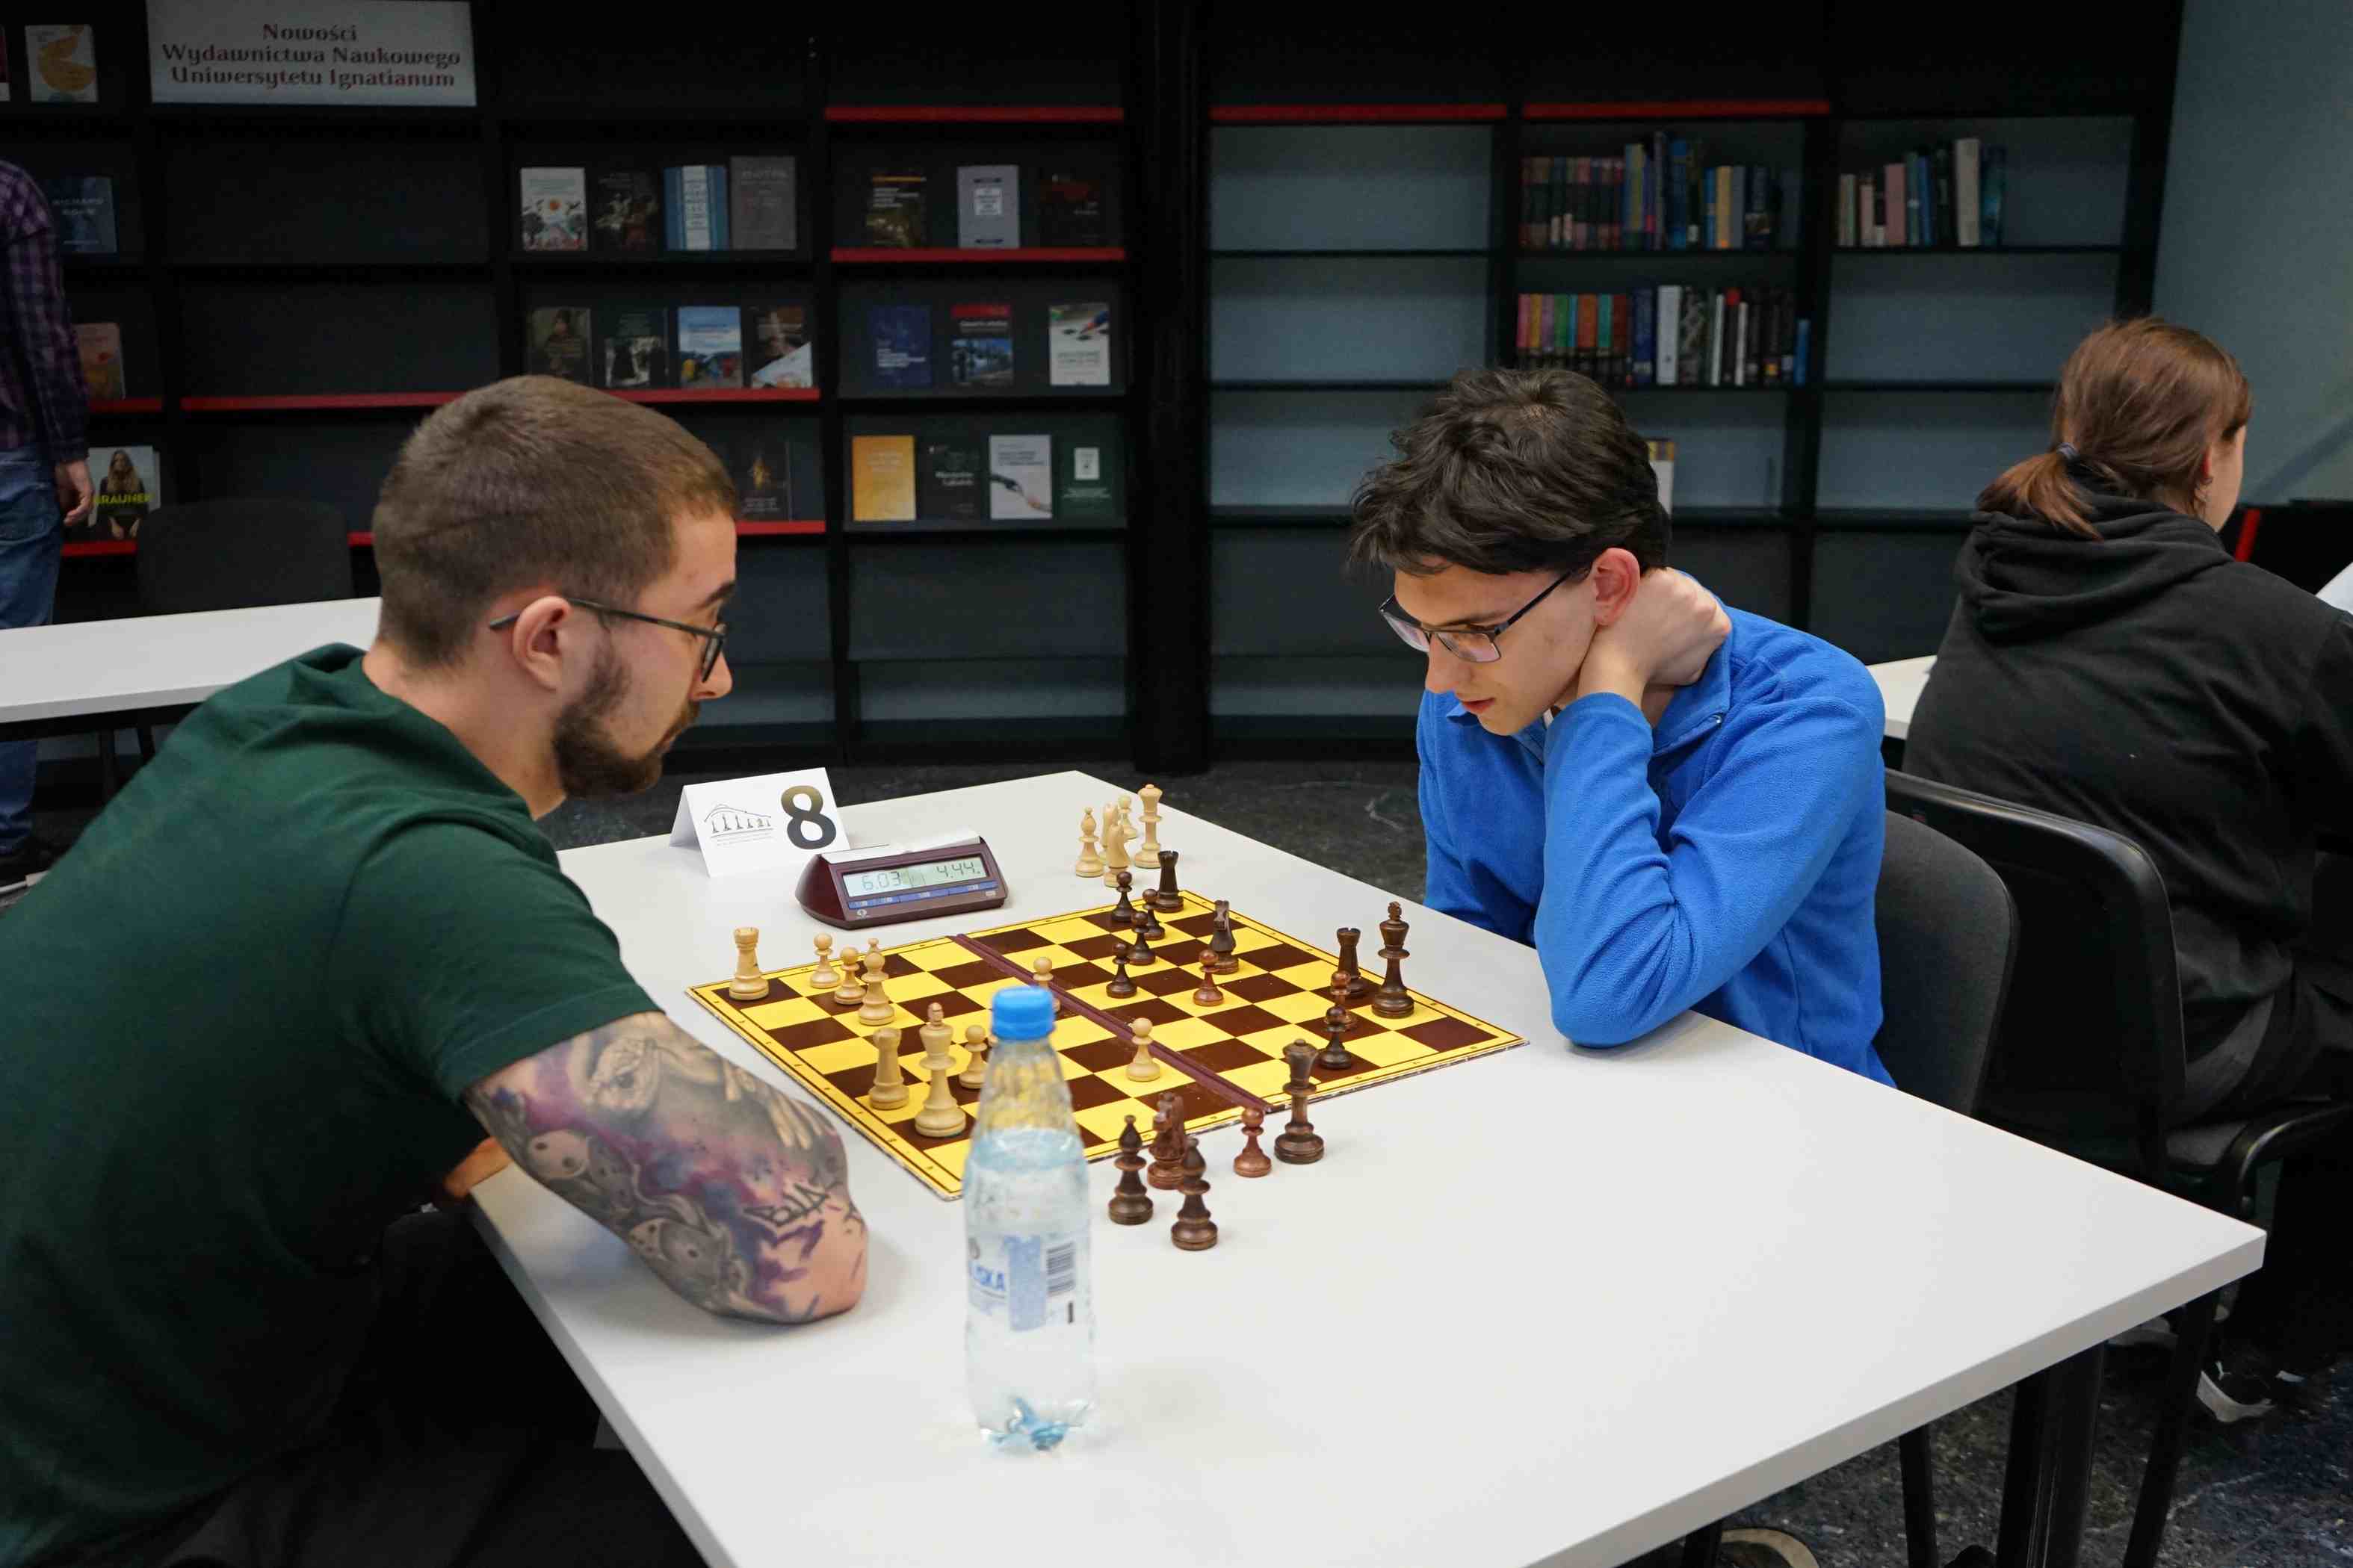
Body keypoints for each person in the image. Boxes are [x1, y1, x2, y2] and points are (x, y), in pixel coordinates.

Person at [0, 376, 868, 1568]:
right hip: (121, 1515)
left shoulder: (280, 711)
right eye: (700, 627)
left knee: (555, 1271)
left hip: (126, 1376)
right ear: (550, 637)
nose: (715, 678)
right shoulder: (424, 870)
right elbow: (805, 1259)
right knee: (775, 1531)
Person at [1904, 317, 2353, 1422]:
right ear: (2210, 458)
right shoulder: (2276, 629)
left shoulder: (1994, 570)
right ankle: (2263, 1349)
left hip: (1979, 1008)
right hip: (2167, 1038)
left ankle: (2154, 1270)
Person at [1350, 367, 1893, 1085]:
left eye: (1474, 632)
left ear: (1607, 584)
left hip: (1785, 1110)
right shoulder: (1471, 690)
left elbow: (1609, 996)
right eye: (1423, 633)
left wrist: (1607, 692)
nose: (1440, 680)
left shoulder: (1806, 708)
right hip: (1569, 1084)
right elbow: (1468, 947)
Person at [0, 158, 95, 896]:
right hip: (6, 455)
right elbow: (43, 335)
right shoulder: (9, 192)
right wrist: (68, 450)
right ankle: (3, 839)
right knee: (12, 656)